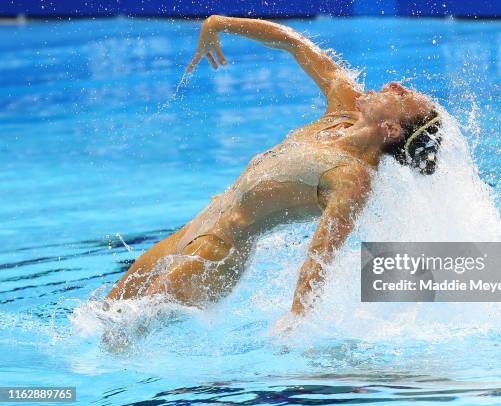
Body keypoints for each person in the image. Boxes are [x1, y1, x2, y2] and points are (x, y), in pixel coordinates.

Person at [107, 15, 443, 315]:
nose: (395, 85)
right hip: (192, 229)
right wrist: (220, 23)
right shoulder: (344, 107)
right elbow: (293, 44)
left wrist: (295, 321)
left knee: (120, 335)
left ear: (391, 129)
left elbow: (319, 258)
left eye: (401, 96)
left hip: (215, 255)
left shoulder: (353, 179)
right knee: (103, 311)